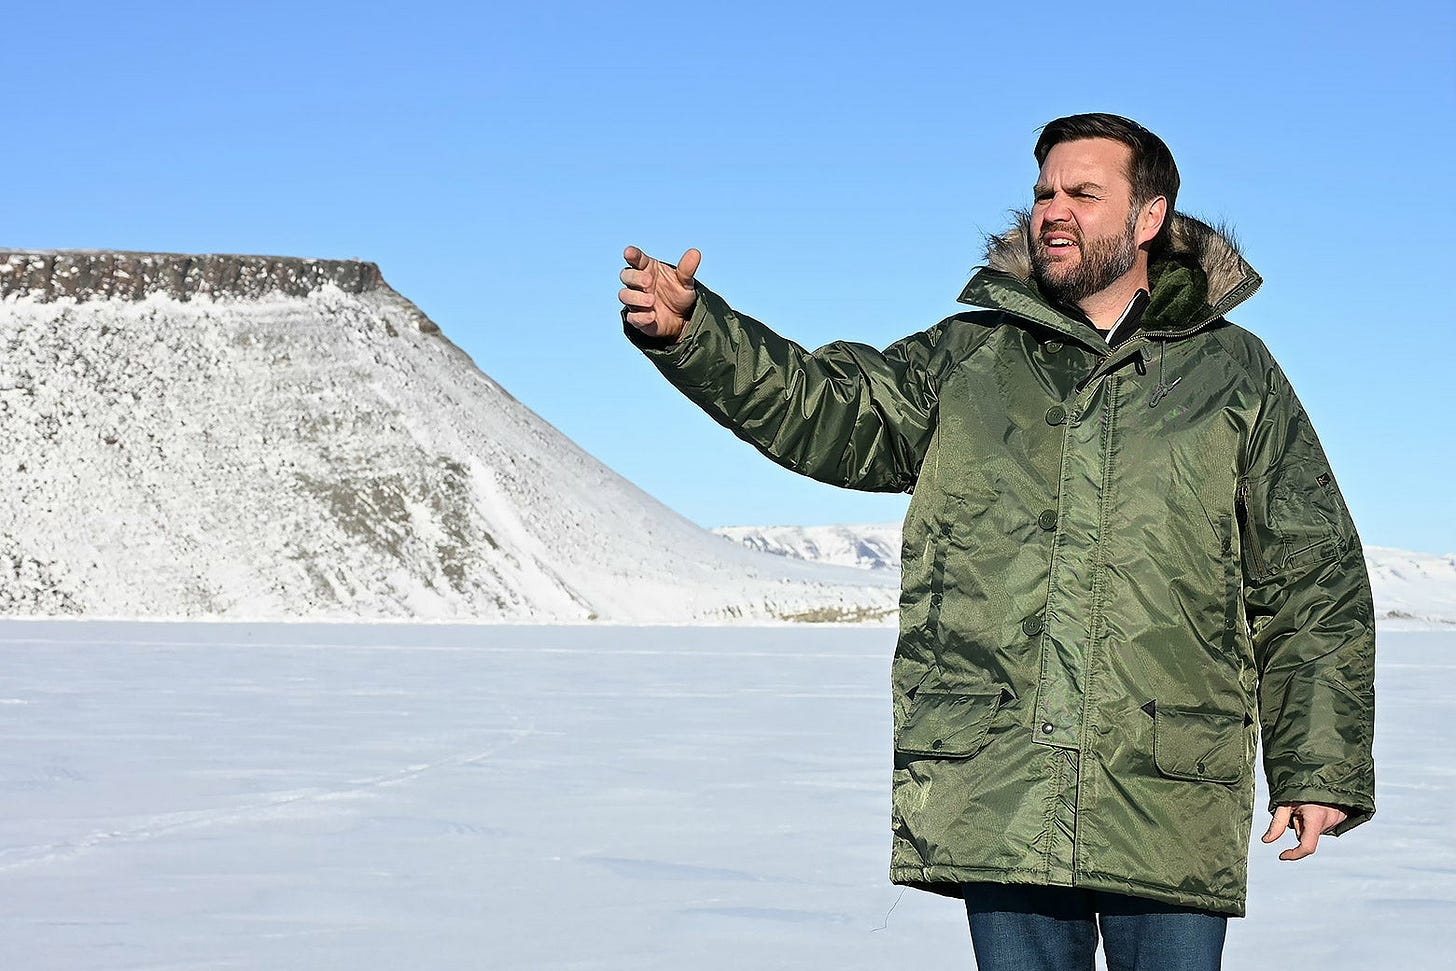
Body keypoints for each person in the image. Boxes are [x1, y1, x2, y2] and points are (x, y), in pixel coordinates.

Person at [616, 113, 1375, 970]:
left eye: (1084, 193)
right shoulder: (969, 357)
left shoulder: (1235, 373)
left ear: (1149, 217)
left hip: (1171, 786)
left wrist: (1318, 766)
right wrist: (697, 335)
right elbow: (828, 410)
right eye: (1045, 191)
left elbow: (1312, 578)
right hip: (1003, 774)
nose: (1054, 209)